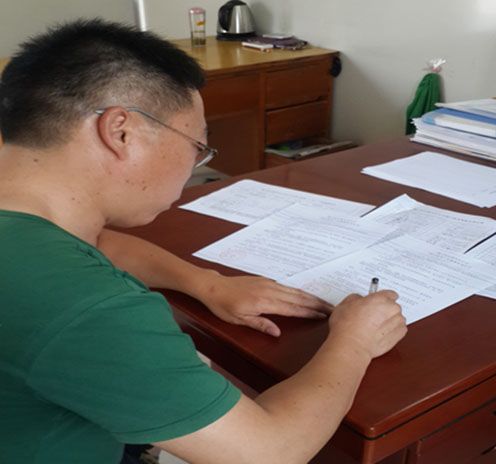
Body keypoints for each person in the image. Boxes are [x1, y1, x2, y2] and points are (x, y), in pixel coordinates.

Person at [0, 19, 407, 464]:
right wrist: (355, 340)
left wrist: (207, 283)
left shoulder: (30, 225)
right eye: (196, 146)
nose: (195, 163)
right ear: (121, 132)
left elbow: (95, 243)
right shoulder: (88, 304)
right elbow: (270, 452)